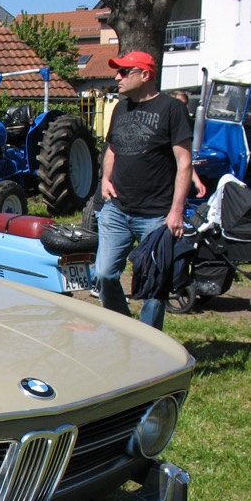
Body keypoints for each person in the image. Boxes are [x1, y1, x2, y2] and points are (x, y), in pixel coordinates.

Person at [95, 50, 194, 330]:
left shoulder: (172, 109)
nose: (118, 77)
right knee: (103, 274)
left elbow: (184, 163)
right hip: (118, 208)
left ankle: (151, 345)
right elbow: (112, 148)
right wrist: (106, 179)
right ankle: (127, 331)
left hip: (156, 215)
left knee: (155, 285)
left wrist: (176, 212)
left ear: (146, 75)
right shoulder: (120, 108)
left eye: (125, 72)